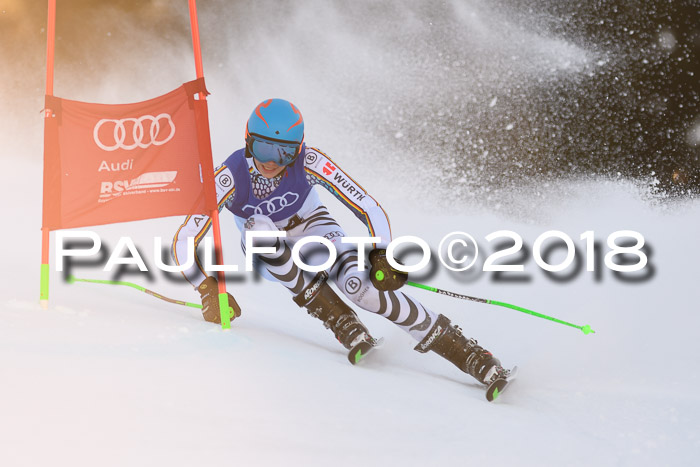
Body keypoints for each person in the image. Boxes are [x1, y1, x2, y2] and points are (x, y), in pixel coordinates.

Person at [171, 98, 509, 386]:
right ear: (248, 141)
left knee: (361, 287)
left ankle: (466, 352)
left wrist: (381, 255)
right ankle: (338, 320)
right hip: (266, 247)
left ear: (298, 149)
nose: (272, 161)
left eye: (285, 152)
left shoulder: (310, 161)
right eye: (263, 148)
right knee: (260, 229)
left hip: (313, 227)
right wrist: (206, 288)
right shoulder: (229, 176)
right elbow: (184, 239)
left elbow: (367, 205)